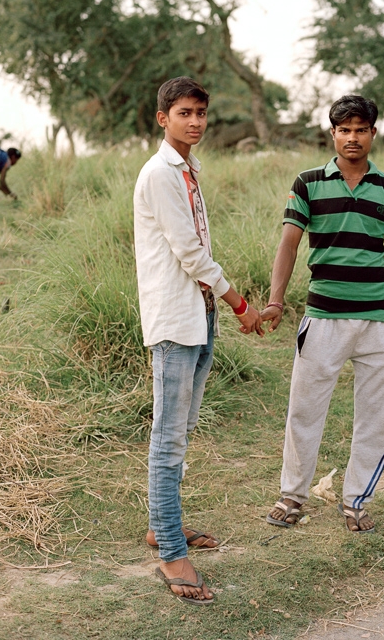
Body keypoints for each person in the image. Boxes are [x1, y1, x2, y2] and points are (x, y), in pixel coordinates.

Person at [133, 76, 263, 605]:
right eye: (185, 113)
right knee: (168, 437)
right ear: (162, 118)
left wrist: (220, 305)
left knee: (180, 429)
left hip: (196, 314)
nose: (196, 122)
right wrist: (240, 304)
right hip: (174, 320)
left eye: (202, 113)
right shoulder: (160, 174)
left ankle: (162, 525)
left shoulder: (188, 169)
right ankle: (169, 551)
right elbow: (189, 253)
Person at [262, 94, 384, 534]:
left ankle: (356, 500)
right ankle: (292, 497)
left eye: (360, 130)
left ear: (373, 134)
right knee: (304, 411)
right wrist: (275, 299)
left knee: (376, 415)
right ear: (333, 134)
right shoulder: (308, 183)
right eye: (344, 130)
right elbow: (289, 244)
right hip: (323, 316)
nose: (352, 138)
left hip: (377, 320)